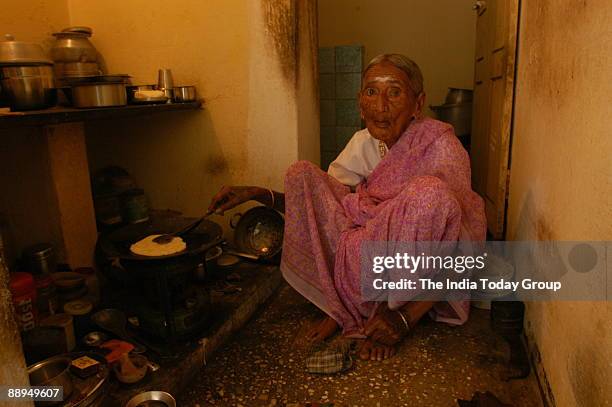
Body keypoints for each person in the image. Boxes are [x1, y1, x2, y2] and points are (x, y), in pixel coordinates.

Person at [208, 54, 486, 361]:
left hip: (414, 274)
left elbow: (462, 243)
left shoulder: (442, 148)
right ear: (360, 102)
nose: (381, 106)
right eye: (371, 92)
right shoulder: (363, 142)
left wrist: (405, 318)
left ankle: (390, 311)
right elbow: (326, 205)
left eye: (394, 92)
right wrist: (258, 194)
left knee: (428, 193)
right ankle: (340, 304)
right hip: (367, 246)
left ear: (418, 104)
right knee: (300, 173)